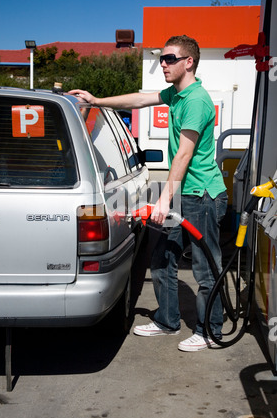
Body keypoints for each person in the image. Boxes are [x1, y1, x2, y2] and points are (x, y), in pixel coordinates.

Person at [69, 34, 228, 352]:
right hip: (186, 192)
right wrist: (96, 101)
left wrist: (164, 199)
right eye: (161, 58)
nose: (163, 64)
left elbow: (184, 155)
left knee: (205, 266)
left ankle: (211, 330)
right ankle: (168, 322)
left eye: (169, 59)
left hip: (204, 196)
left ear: (188, 62)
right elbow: (140, 100)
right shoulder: (177, 94)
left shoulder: (195, 101)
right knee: (162, 257)